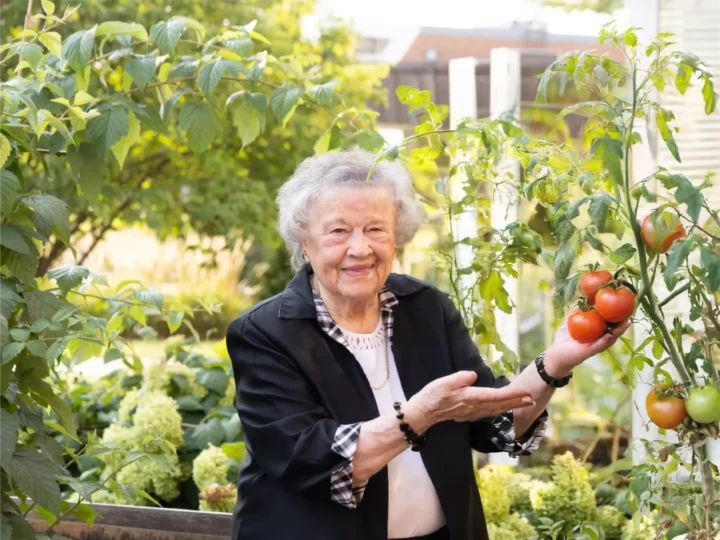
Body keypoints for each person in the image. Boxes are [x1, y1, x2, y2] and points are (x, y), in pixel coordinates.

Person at [226, 149, 629, 540]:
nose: (360, 248)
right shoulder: (265, 334)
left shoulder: (424, 308)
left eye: (375, 229)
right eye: (338, 231)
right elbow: (313, 461)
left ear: (396, 236)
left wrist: (553, 364)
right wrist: (418, 415)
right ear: (304, 244)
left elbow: (492, 423)